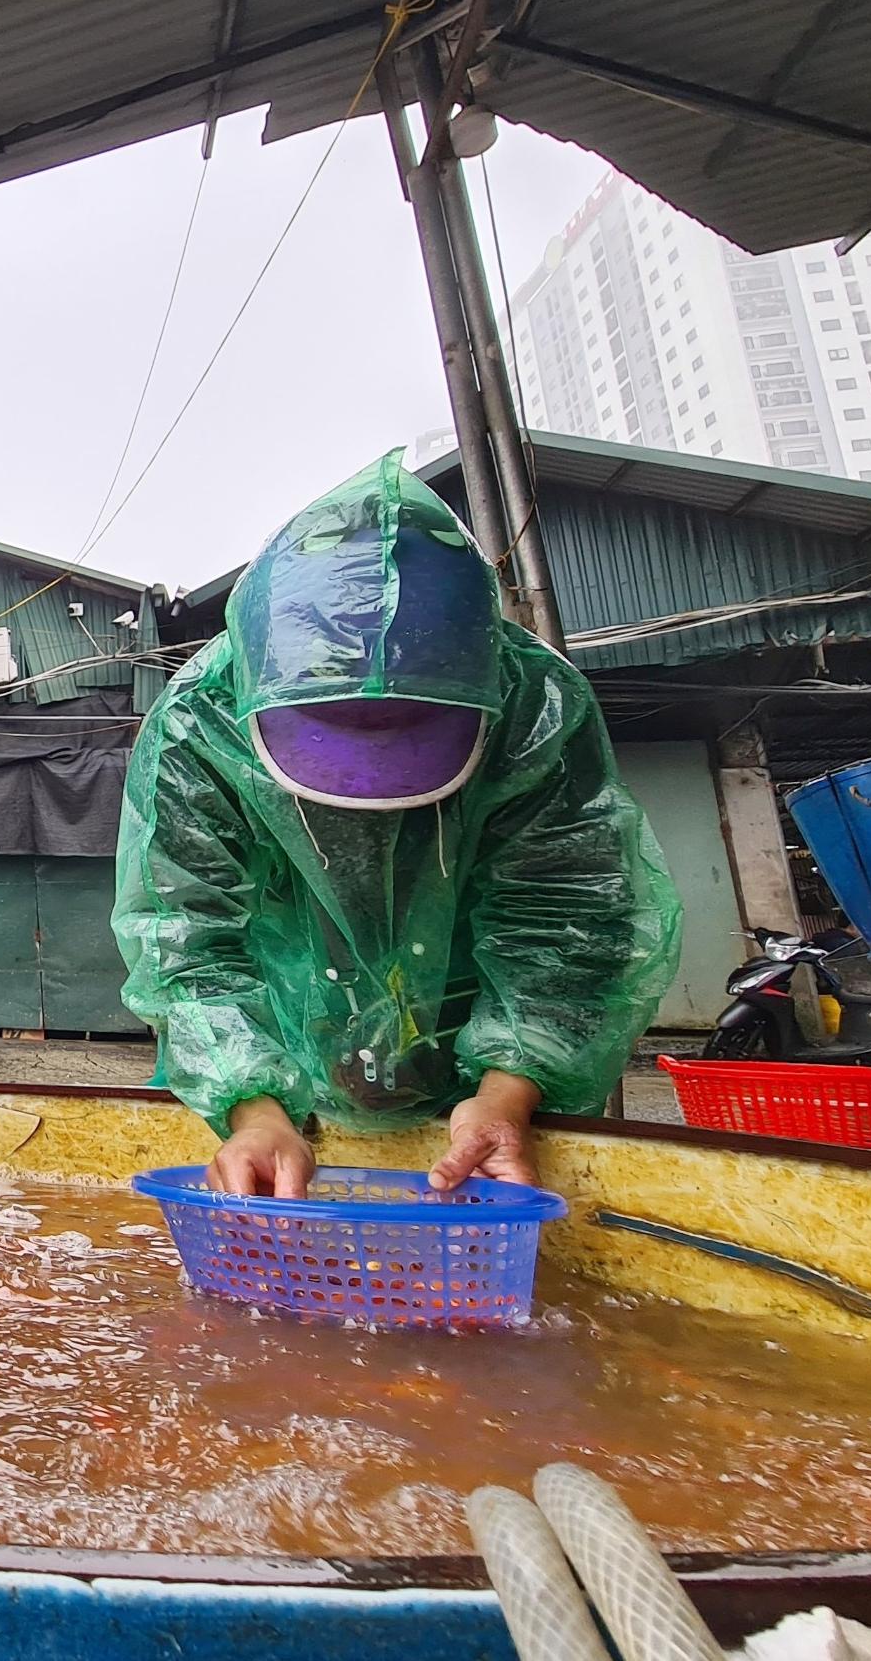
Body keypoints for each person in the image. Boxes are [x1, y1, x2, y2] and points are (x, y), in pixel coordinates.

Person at [112, 451, 680, 1199]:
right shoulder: (200, 722)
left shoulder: (532, 704)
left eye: (405, 729)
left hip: (489, 1099)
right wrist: (255, 1111)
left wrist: (507, 1095)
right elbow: (183, 937)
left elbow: (569, 920)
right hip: (285, 1074)